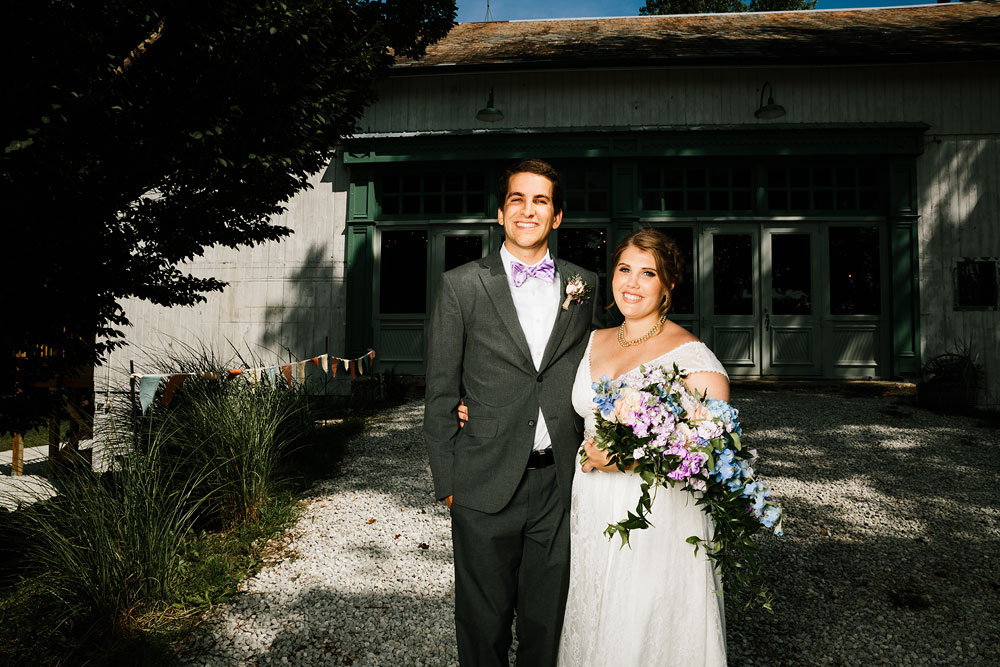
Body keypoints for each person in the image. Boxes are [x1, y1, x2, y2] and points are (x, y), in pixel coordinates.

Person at [423, 158, 601, 667]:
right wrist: (448, 479)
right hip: (482, 479)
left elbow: (599, 369)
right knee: (483, 625)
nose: (529, 210)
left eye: (541, 201)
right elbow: (439, 394)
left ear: (558, 216)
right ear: (500, 214)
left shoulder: (584, 285)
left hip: (560, 482)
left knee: (549, 625)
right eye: (517, 200)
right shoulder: (461, 285)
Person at [556, 228, 729, 666]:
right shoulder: (592, 340)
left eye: (647, 273)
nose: (631, 283)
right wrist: (474, 407)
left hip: (655, 518)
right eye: (624, 269)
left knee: (644, 620)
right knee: (595, 612)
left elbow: (710, 453)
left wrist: (625, 458)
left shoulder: (693, 358)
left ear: (668, 285)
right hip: (592, 507)